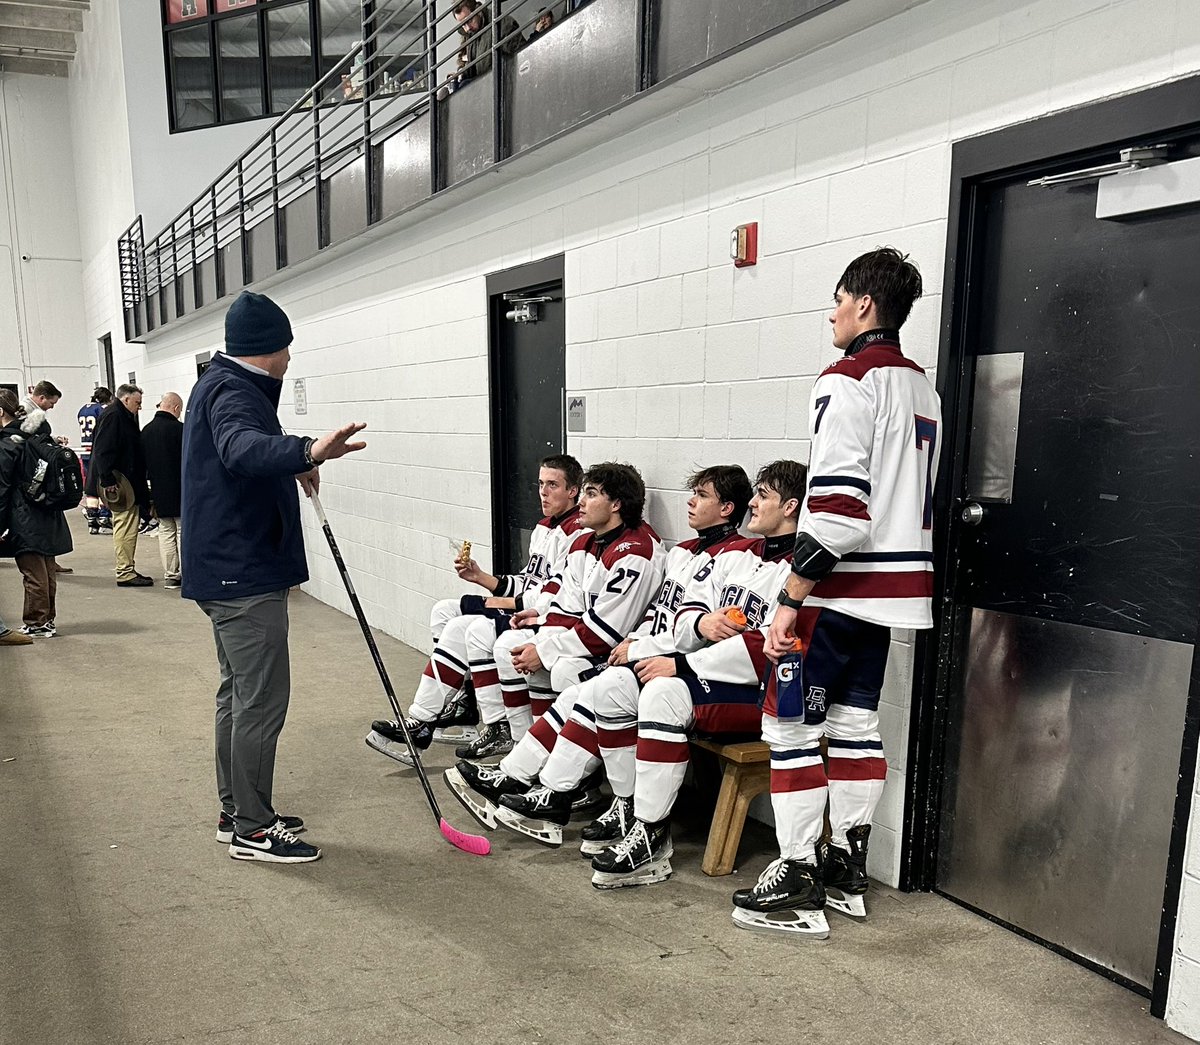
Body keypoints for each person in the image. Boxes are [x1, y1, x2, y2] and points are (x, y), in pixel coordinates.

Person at [734, 247, 942, 939]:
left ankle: (797, 872)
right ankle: (847, 866)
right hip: (887, 600)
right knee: (854, 726)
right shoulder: (921, 386)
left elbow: (841, 511)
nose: (830, 314)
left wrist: (791, 593)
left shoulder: (848, 376)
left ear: (864, 305)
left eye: (837, 300)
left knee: (789, 728)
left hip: (833, 592)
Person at [474, 465, 753, 847]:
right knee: (580, 691)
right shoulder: (684, 552)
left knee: (589, 687)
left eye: (702, 495)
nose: (690, 501)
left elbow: (702, 632)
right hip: (648, 653)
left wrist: (639, 646)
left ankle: (568, 793)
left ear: (727, 508)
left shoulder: (740, 555)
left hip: (690, 672)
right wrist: (637, 641)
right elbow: (664, 615)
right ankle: (534, 780)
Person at [184, 290, 367, 865]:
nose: (290, 360)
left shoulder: (220, 384)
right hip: (243, 573)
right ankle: (254, 830)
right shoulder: (234, 390)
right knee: (260, 701)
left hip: (227, 568)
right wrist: (307, 448)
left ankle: (237, 809)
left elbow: (239, 462)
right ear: (270, 349)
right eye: (287, 349)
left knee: (236, 695)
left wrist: (296, 467)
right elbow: (240, 449)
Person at [581, 460, 805, 888]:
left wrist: (681, 664)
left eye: (763, 496)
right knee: (612, 689)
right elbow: (689, 610)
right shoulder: (740, 554)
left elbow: (768, 649)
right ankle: (632, 808)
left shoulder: (801, 570)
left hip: (762, 693)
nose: (752, 504)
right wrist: (701, 625)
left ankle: (651, 835)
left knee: (662, 693)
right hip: (709, 672)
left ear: (791, 506)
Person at [445, 462, 665, 827]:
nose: (582, 501)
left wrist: (544, 650)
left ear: (616, 505)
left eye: (592, 494)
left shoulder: (637, 550)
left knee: (571, 680)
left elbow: (606, 632)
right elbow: (566, 606)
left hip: (626, 653)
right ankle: (524, 775)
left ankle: (550, 784)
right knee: (541, 664)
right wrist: (541, 642)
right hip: (602, 648)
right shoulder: (584, 540)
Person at [366, 454, 584, 765]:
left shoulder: (578, 532)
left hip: (544, 618)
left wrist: (504, 603)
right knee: (444, 611)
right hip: (526, 606)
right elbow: (527, 579)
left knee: (465, 628)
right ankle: (462, 700)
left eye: (553, 485)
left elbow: (557, 593)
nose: (543, 492)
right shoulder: (543, 527)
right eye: (540, 484)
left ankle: (447, 722)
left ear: (573, 490)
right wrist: (481, 578)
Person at [0, 389, 72, 637]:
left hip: (23, 515)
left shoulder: (8, 444)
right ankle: (47, 620)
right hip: (48, 509)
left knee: (32, 572)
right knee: (46, 569)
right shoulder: (38, 436)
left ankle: (36, 622)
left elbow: (2, 488)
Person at [87, 384, 152, 587]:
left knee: (126, 526)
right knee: (125, 526)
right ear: (126, 400)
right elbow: (103, 450)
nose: (139, 407)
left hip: (125, 481)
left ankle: (127, 568)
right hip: (120, 484)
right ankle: (125, 571)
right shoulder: (115, 416)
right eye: (137, 403)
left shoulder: (120, 415)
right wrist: (108, 481)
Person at [141, 393, 185, 590]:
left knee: (166, 532)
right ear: (175, 408)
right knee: (183, 532)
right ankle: (188, 573)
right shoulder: (181, 430)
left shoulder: (146, 431)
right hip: (182, 490)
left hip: (159, 490)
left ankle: (171, 575)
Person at [452, 0, 522, 82]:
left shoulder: (501, 25)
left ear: (478, 10)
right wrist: (461, 74)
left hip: (503, 83)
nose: (467, 28)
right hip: (485, 86)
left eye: (469, 21)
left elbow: (520, 56)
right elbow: (474, 70)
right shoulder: (471, 35)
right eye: (463, 24)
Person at [78, 387, 114, 535]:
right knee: (101, 484)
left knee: (90, 486)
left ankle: (92, 519)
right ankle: (104, 515)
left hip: (84, 449)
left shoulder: (82, 409)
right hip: (96, 449)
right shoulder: (102, 409)